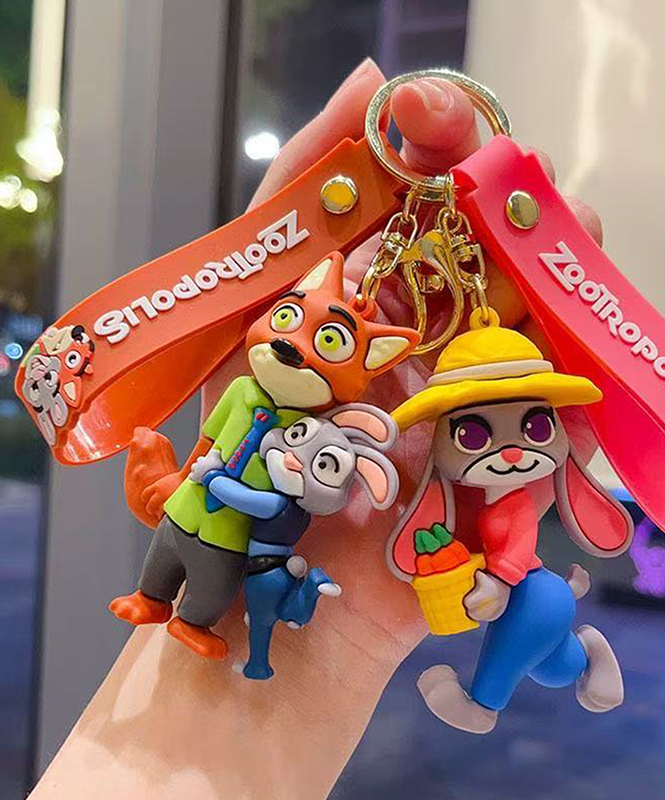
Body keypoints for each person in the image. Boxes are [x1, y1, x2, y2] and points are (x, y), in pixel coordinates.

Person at [30, 59, 605, 799]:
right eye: (290, 323)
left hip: (240, 534)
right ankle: (159, 600)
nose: (294, 349)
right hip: (203, 517)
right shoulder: (252, 396)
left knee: (209, 577)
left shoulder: (405, 474)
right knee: (176, 564)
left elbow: (290, 500)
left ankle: (190, 615)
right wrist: (199, 471)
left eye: (326, 342)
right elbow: (214, 445)